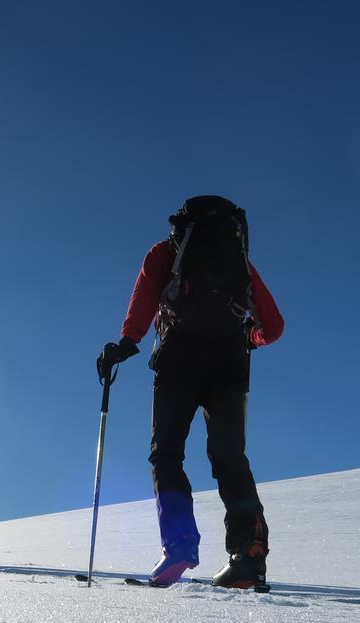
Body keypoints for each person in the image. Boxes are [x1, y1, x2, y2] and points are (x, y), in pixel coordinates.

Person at [96, 195, 284, 590]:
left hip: (178, 359)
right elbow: (274, 326)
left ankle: (179, 543)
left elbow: (144, 301)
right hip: (231, 364)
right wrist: (250, 336)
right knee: (230, 456)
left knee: (166, 453)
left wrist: (126, 344)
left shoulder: (165, 253)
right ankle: (249, 551)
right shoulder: (240, 265)